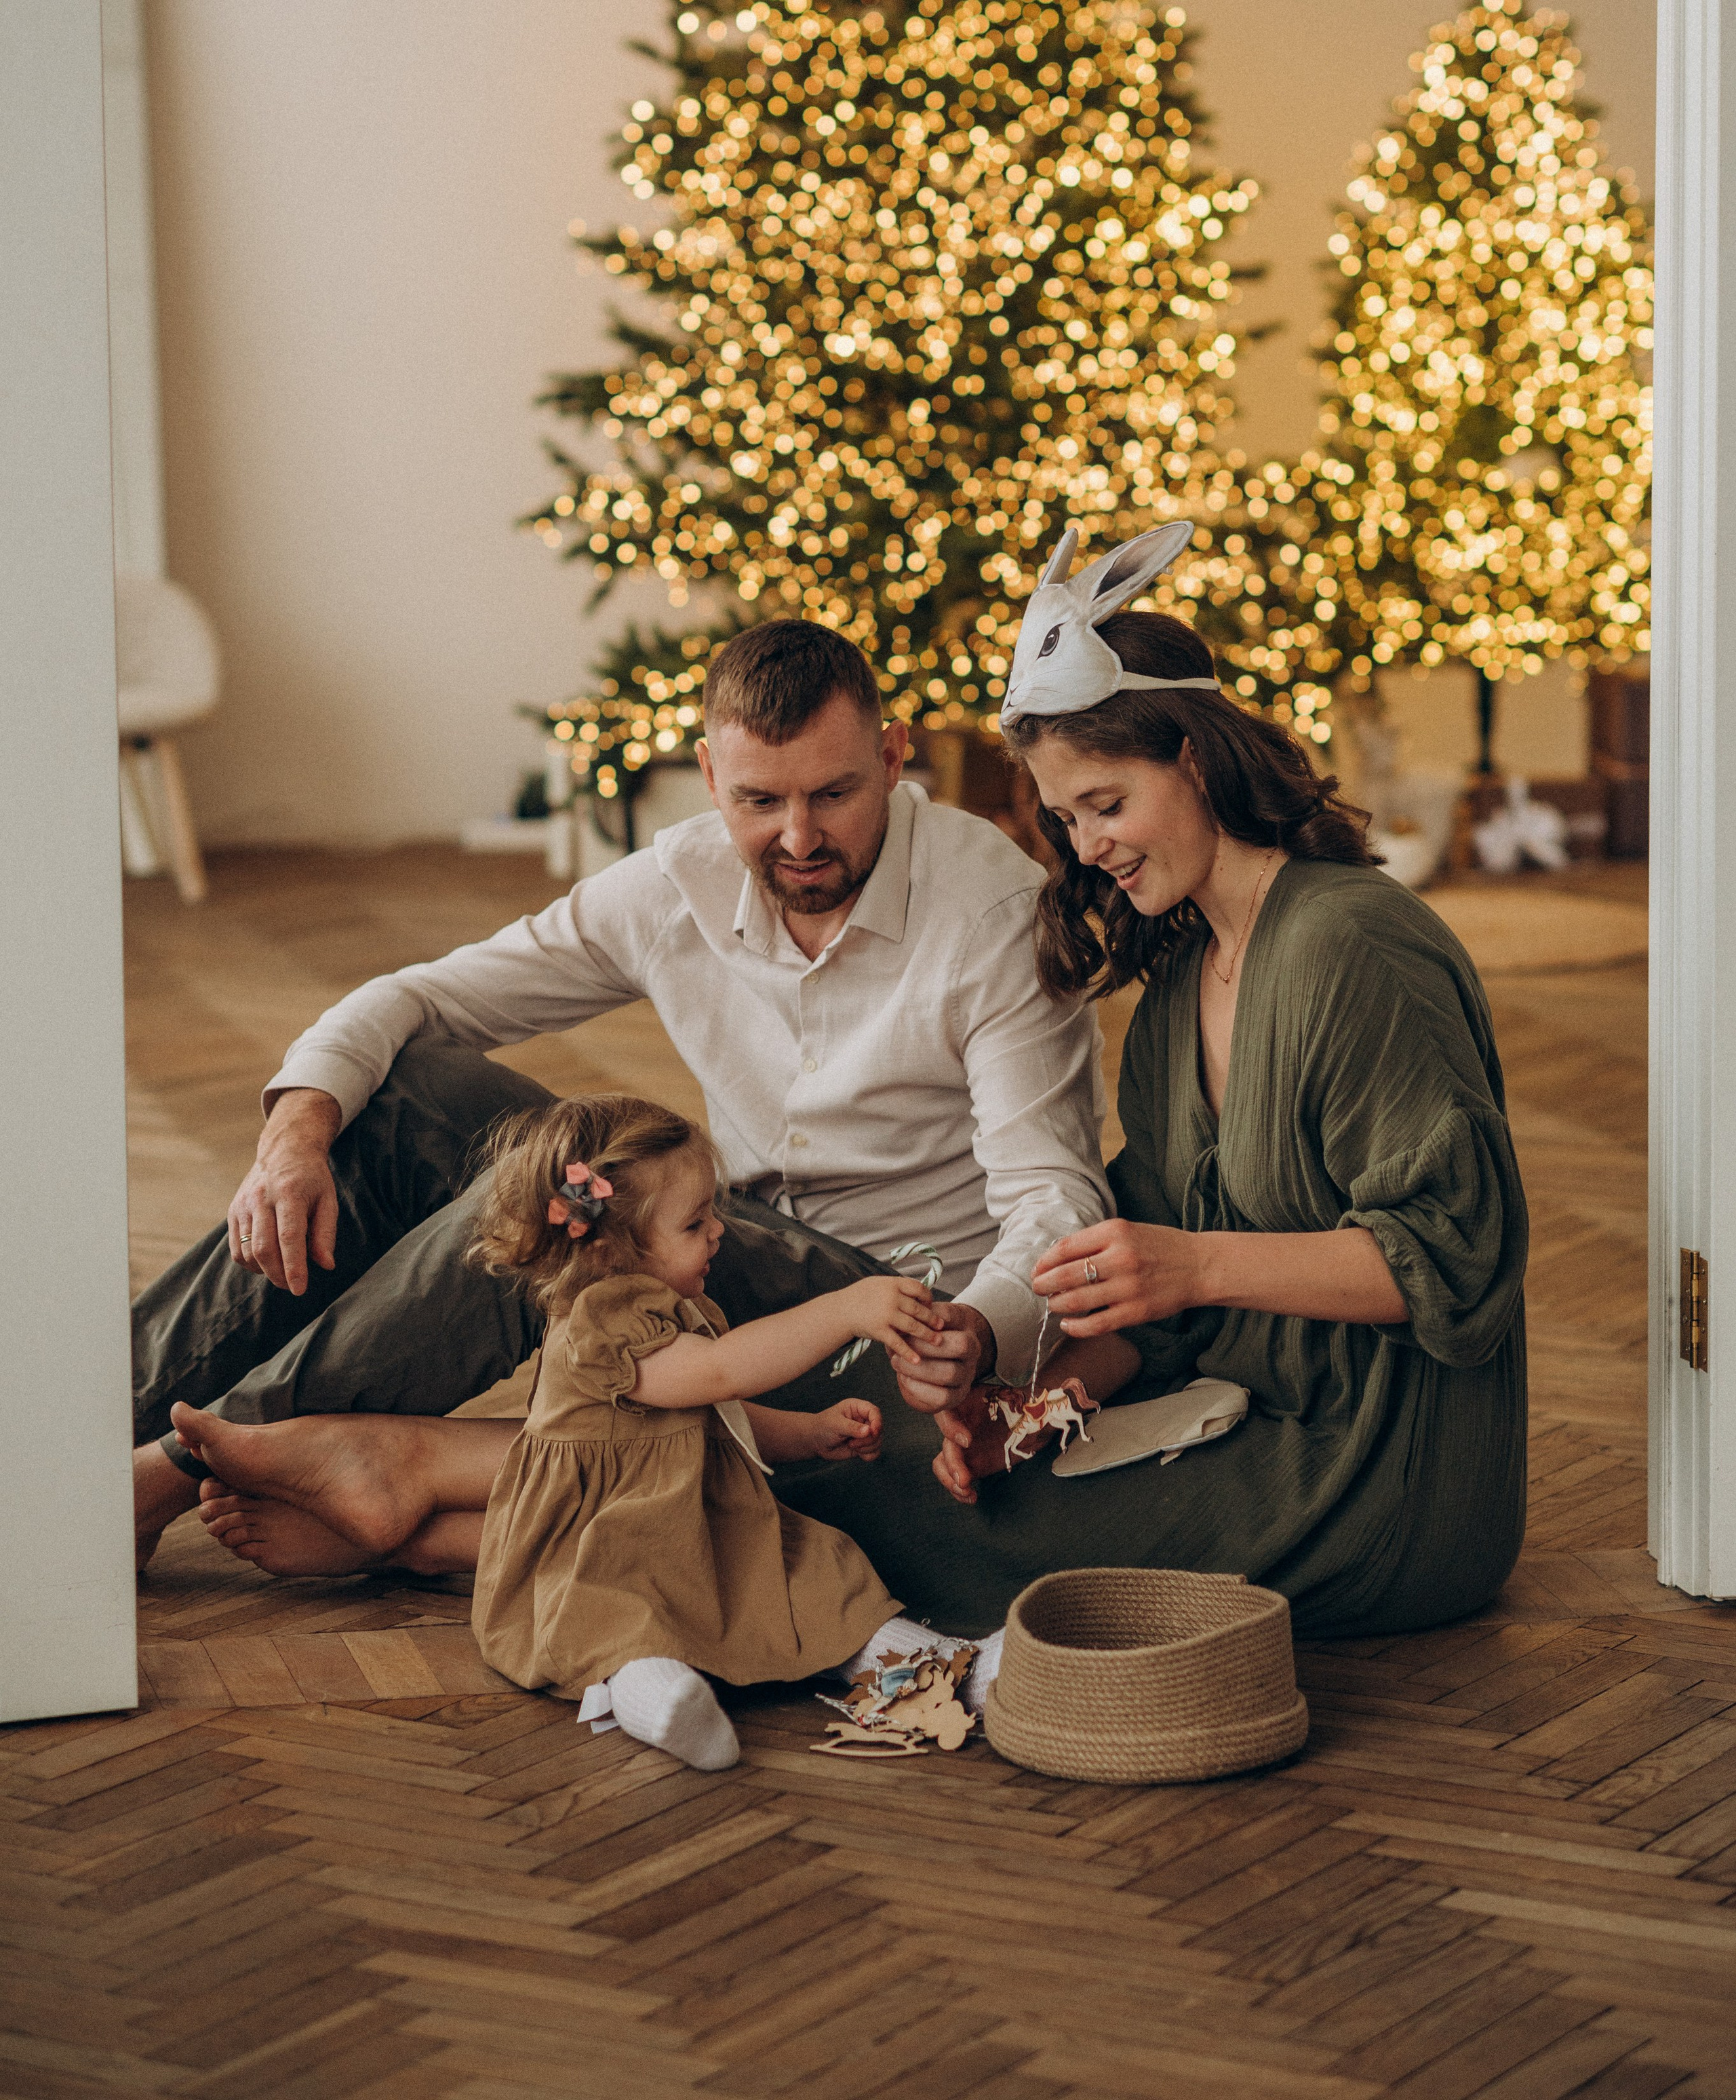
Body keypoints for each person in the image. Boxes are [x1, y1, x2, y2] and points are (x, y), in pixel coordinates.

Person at [133, 619, 1110, 1566]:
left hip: (894, 1319)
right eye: (758, 800)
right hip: (714, 1251)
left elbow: (1056, 1202)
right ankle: (93, 1428)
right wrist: (294, 1135)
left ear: (894, 758)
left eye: (833, 793)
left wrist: (978, 1327)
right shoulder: (677, 881)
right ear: (710, 774)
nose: (799, 835)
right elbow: (422, 999)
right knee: (408, 1097)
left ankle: (182, 1464)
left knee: (567, 1191)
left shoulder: (991, 913)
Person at [770, 526, 1530, 1641]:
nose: (1089, 848)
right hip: (1234, 1407)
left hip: (1383, 1476)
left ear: (1195, 759)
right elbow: (1161, 1306)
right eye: (1067, 819)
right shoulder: (1184, 970)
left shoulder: (1353, 945)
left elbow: (1459, 1262)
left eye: (1107, 803)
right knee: (898, 1468)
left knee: (885, 1520)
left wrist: (1194, 1263)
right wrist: (1044, 1407)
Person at [174, 1091, 996, 1770]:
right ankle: (660, 1699)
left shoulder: (673, 1305)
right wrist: (845, 1309)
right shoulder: (604, 1317)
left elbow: (714, 1414)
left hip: (699, 1517)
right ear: (612, 1247)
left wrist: (807, 1432)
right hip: (609, 1531)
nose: (719, 1231)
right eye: (696, 1222)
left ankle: (939, 1663)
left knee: (822, 1574)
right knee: (620, 1615)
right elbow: (715, 1375)